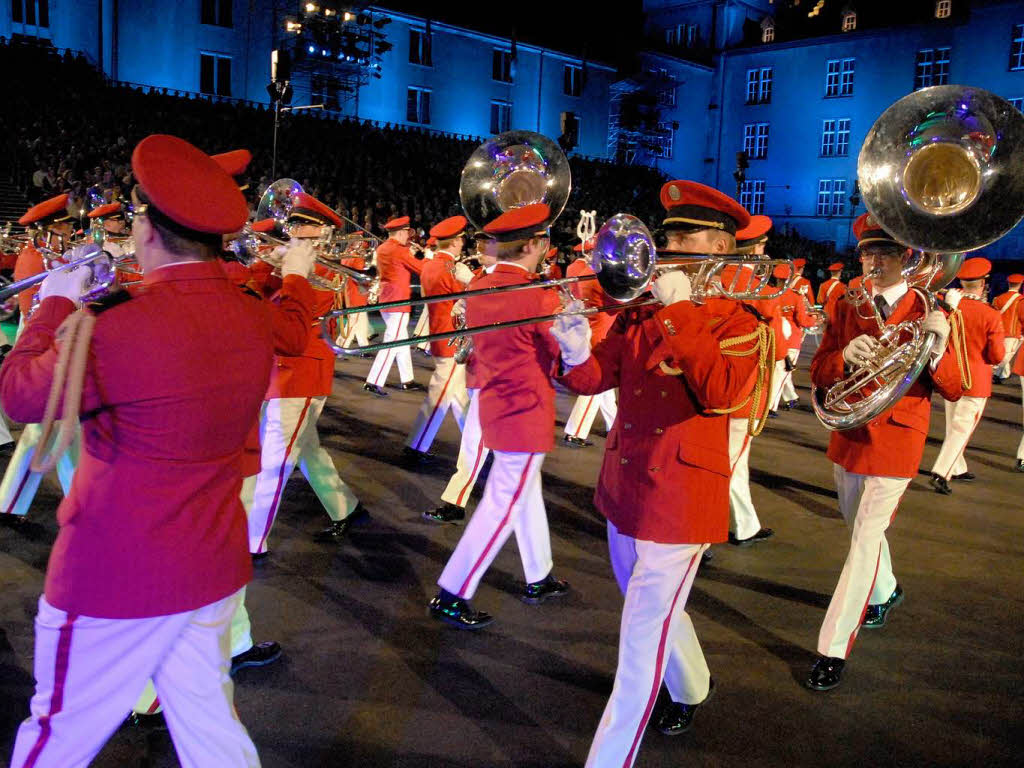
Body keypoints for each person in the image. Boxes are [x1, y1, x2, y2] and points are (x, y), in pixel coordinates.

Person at [3, 134, 265, 767]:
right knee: (210, 729)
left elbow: (17, 396)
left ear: (148, 228)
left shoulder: (112, 323)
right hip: (210, 564)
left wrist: (54, 302)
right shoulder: (253, 312)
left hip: (116, 575)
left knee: (55, 737)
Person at [553, 181, 765, 766]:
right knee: (648, 609)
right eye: (668, 233)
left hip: (681, 495)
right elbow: (598, 379)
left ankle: (610, 755)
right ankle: (693, 684)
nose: (668, 244)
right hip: (625, 485)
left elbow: (723, 392)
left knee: (640, 635)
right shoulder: (643, 311)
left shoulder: (738, 318)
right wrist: (573, 351)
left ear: (720, 245)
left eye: (684, 234)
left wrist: (679, 314)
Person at [805, 213, 963, 692]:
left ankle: (832, 648)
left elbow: (955, 388)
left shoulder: (930, 308)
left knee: (861, 544)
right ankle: (888, 589)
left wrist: (937, 344)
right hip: (851, 434)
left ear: (906, 257)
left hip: (897, 439)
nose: (873, 261)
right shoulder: (848, 302)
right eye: (867, 253)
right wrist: (841, 357)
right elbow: (819, 369)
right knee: (860, 532)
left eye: (885, 253)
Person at [428, 203, 569, 628]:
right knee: (503, 504)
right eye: (543, 240)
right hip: (526, 413)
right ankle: (453, 591)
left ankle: (539, 574)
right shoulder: (538, 297)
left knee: (523, 495)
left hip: (495, 406)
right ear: (533, 244)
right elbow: (560, 361)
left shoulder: (481, 288)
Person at [245, 192, 369, 556]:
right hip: (280, 370)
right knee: (306, 449)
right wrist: (266, 265)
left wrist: (288, 270)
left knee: (275, 461)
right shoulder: (295, 260)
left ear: (325, 231)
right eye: (295, 223)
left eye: (306, 225)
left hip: (301, 372)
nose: (296, 230)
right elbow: (255, 298)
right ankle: (346, 507)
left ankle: (253, 542)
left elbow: (292, 313)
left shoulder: (327, 268)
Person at [0, 193, 79, 521]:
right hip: (45, 340)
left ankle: (9, 499)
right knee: (62, 428)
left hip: (49, 338)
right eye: (64, 227)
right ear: (47, 229)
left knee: (44, 430)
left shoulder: (49, 257)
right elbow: (40, 312)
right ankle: (83, 506)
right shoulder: (37, 260)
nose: (70, 233)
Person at [423, 233, 498, 523]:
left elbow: (497, 309)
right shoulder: (481, 276)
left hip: (493, 371)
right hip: (479, 365)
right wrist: (461, 312)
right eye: (477, 243)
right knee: (479, 438)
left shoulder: (498, 279)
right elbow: (469, 318)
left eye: (485, 244)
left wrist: (470, 287)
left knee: (474, 438)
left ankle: (456, 500)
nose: (478, 250)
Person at [929, 257, 1004, 494]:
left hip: (951, 374)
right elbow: (996, 355)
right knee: (962, 429)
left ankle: (958, 467)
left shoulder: (949, 308)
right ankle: (942, 472)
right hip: (976, 380)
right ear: (983, 284)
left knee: (954, 425)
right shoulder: (990, 314)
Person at [404, 215, 474, 459]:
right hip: (451, 337)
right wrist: (474, 280)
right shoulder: (450, 268)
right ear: (455, 242)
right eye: (461, 240)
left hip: (439, 331)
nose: (463, 244)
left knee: (458, 396)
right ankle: (416, 445)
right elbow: (469, 299)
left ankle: (478, 444)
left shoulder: (431, 265)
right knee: (441, 394)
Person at [724, 215, 776, 546]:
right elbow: (778, 346)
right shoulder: (756, 289)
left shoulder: (712, 279)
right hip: (743, 395)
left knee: (733, 465)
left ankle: (747, 525)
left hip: (711, 390)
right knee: (727, 466)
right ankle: (701, 532)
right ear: (756, 249)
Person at [561, 238, 617, 448]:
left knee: (606, 392)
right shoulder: (599, 277)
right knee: (595, 388)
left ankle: (615, 428)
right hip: (600, 333)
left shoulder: (582, 271)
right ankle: (575, 432)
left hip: (590, 329)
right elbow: (616, 306)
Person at [363, 216, 426, 397]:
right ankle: (373, 381)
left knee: (401, 341)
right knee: (392, 342)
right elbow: (421, 269)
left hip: (386, 298)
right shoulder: (400, 251)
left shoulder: (382, 248)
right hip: (398, 301)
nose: (409, 237)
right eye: (407, 233)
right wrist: (427, 256)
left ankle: (407, 379)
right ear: (400, 232)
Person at [768, 264, 816, 413]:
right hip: (791, 340)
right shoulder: (795, 297)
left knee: (777, 371)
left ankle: (791, 397)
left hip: (773, 336)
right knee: (781, 373)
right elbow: (803, 320)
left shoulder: (770, 294)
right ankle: (770, 407)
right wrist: (814, 320)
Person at [992, 273, 1022, 381]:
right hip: (1013, 332)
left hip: (998, 330)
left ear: (1008, 284)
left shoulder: (998, 298)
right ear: (1020, 285)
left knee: (1003, 354)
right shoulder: (1021, 300)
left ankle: (1003, 375)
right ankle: (995, 373)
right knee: (1006, 356)